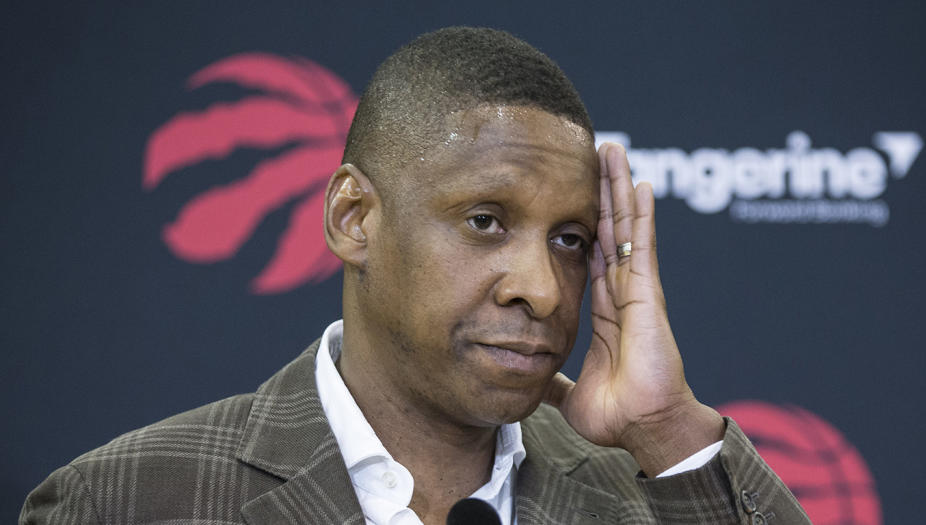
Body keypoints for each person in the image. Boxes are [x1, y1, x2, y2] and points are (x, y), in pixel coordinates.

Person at [21, 27, 810, 524]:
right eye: (485, 221)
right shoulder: (124, 500)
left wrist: (668, 428)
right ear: (353, 218)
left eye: (570, 238)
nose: (539, 287)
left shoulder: (649, 495)